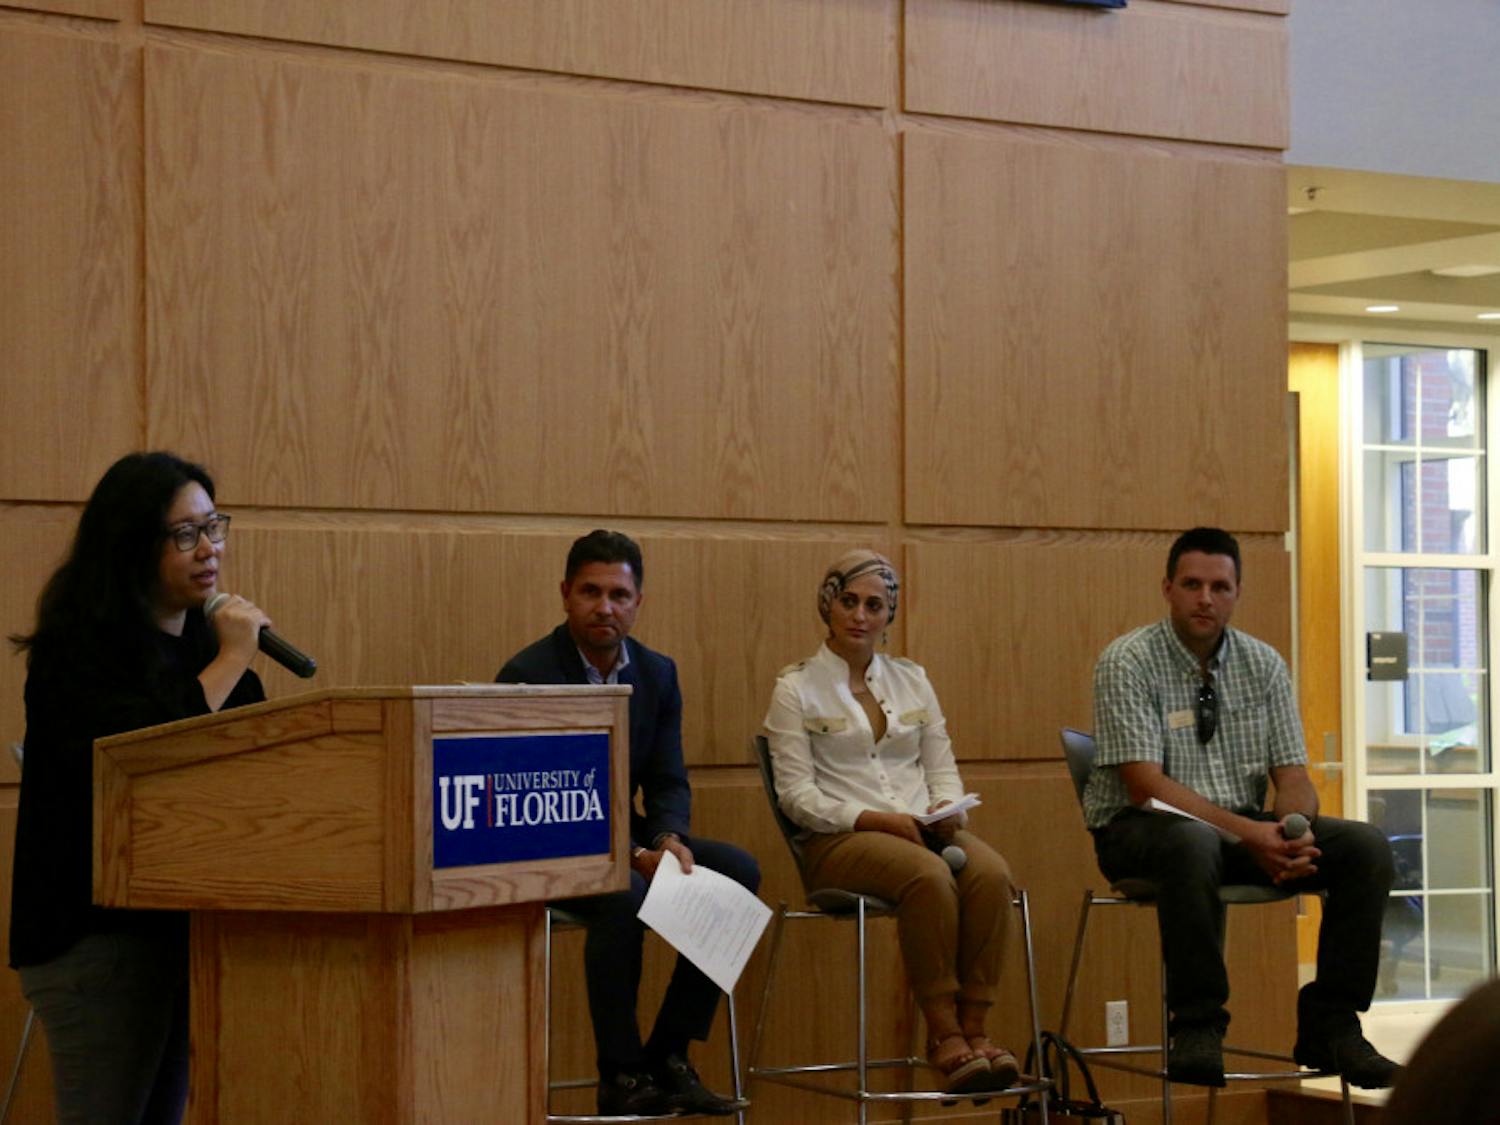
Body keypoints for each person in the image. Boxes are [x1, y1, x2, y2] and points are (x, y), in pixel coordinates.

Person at [1082, 526, 1398, 1089]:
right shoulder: (1127, 660)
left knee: (1365, 847)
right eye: (1193, 584)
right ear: (1168, 588)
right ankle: (1198, 1025)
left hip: (1242, 832)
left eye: (1220, 587)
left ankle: (1332, 1021)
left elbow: (1293, 774)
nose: (1206, 598)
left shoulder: (1264, 664)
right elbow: (1145, 786)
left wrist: (1291, 832)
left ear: (1237, 592)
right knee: (1192, 839)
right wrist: (1252, 836)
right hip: (1143, 833)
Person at [9, 452, 270, 1124]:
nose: (209, 548)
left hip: (175, 925)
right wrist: (233, 656)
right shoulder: (82, 649)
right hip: (93, 936)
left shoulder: (198, 647)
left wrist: (233, 661)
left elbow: (254, 745)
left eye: (215, 526)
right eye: (185, 533)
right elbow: (145, 752)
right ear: (132, 544)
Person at [496, 530, 760, 1117]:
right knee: (627, 892)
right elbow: (534, 800)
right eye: (591, 591)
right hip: (547, 837)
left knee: (738, 871)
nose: (604, 607)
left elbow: (667, 780)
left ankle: (667, 1056)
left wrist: (667, 839)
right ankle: (619, 1073)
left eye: (619, 594)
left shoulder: (658, 673)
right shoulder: (529, 672)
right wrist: (634, 853)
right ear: (566, 594)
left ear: (638, 601)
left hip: (628, 834)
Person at [762, 550, 1020, 1097]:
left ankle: (977, 1031)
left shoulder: (912, 680)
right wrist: (876, 819)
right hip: (840, 840)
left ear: (888, 615)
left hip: (922, 828)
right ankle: (944, 1034)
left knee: (992, 873)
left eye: (874, 605)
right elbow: (796, 797)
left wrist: (948, 811)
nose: (860, 615)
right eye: (848, 601)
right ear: (827, 605)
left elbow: (941, 767)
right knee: (927, 877)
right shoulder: (795, 688)